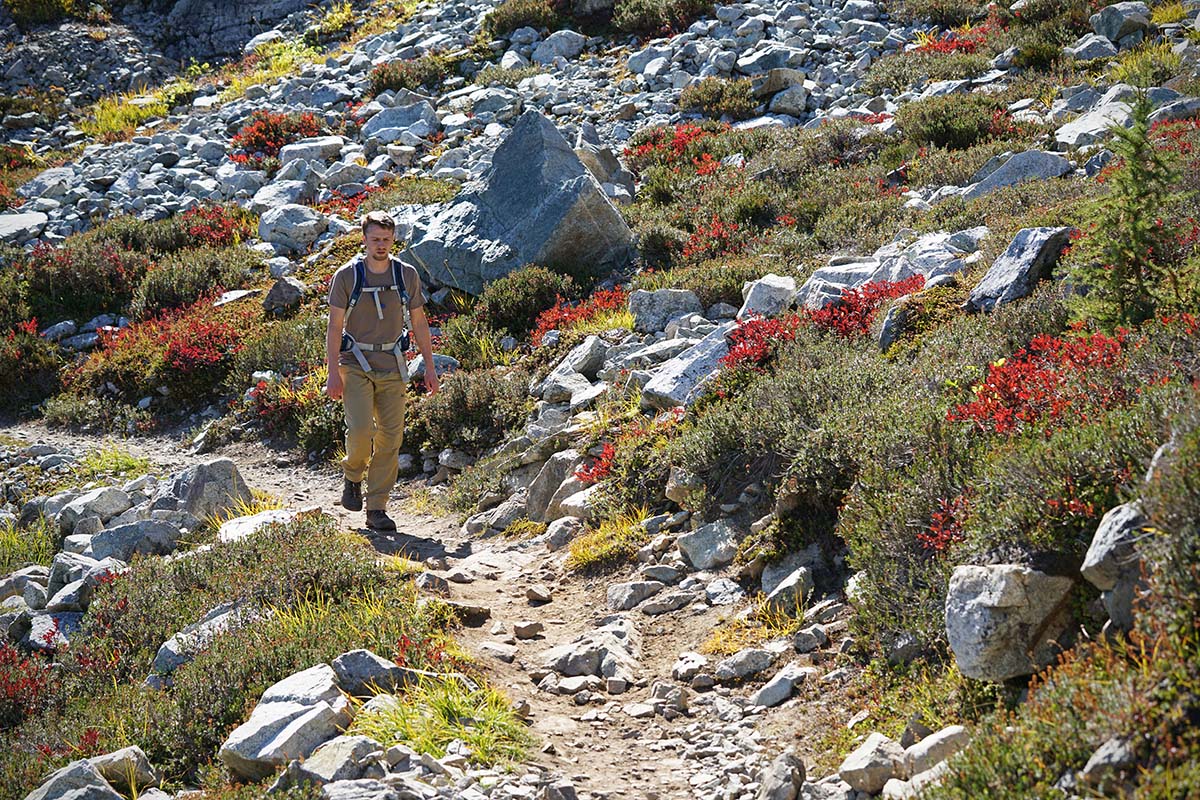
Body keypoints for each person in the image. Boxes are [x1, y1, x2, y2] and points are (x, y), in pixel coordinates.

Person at [326, 210, 439, 531]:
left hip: (393, 364)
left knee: (391, 438)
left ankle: (376, 507)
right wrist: (332, 372)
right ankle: (352, 475)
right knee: (361, 431)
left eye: (386, 240)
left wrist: (429, 367)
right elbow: (334, 327)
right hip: (355, 364)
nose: (381, 245)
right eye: (375, 239)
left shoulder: (406, 275)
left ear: (393, 240)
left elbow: (419, 321)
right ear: (363, 239)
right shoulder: (347, 276)